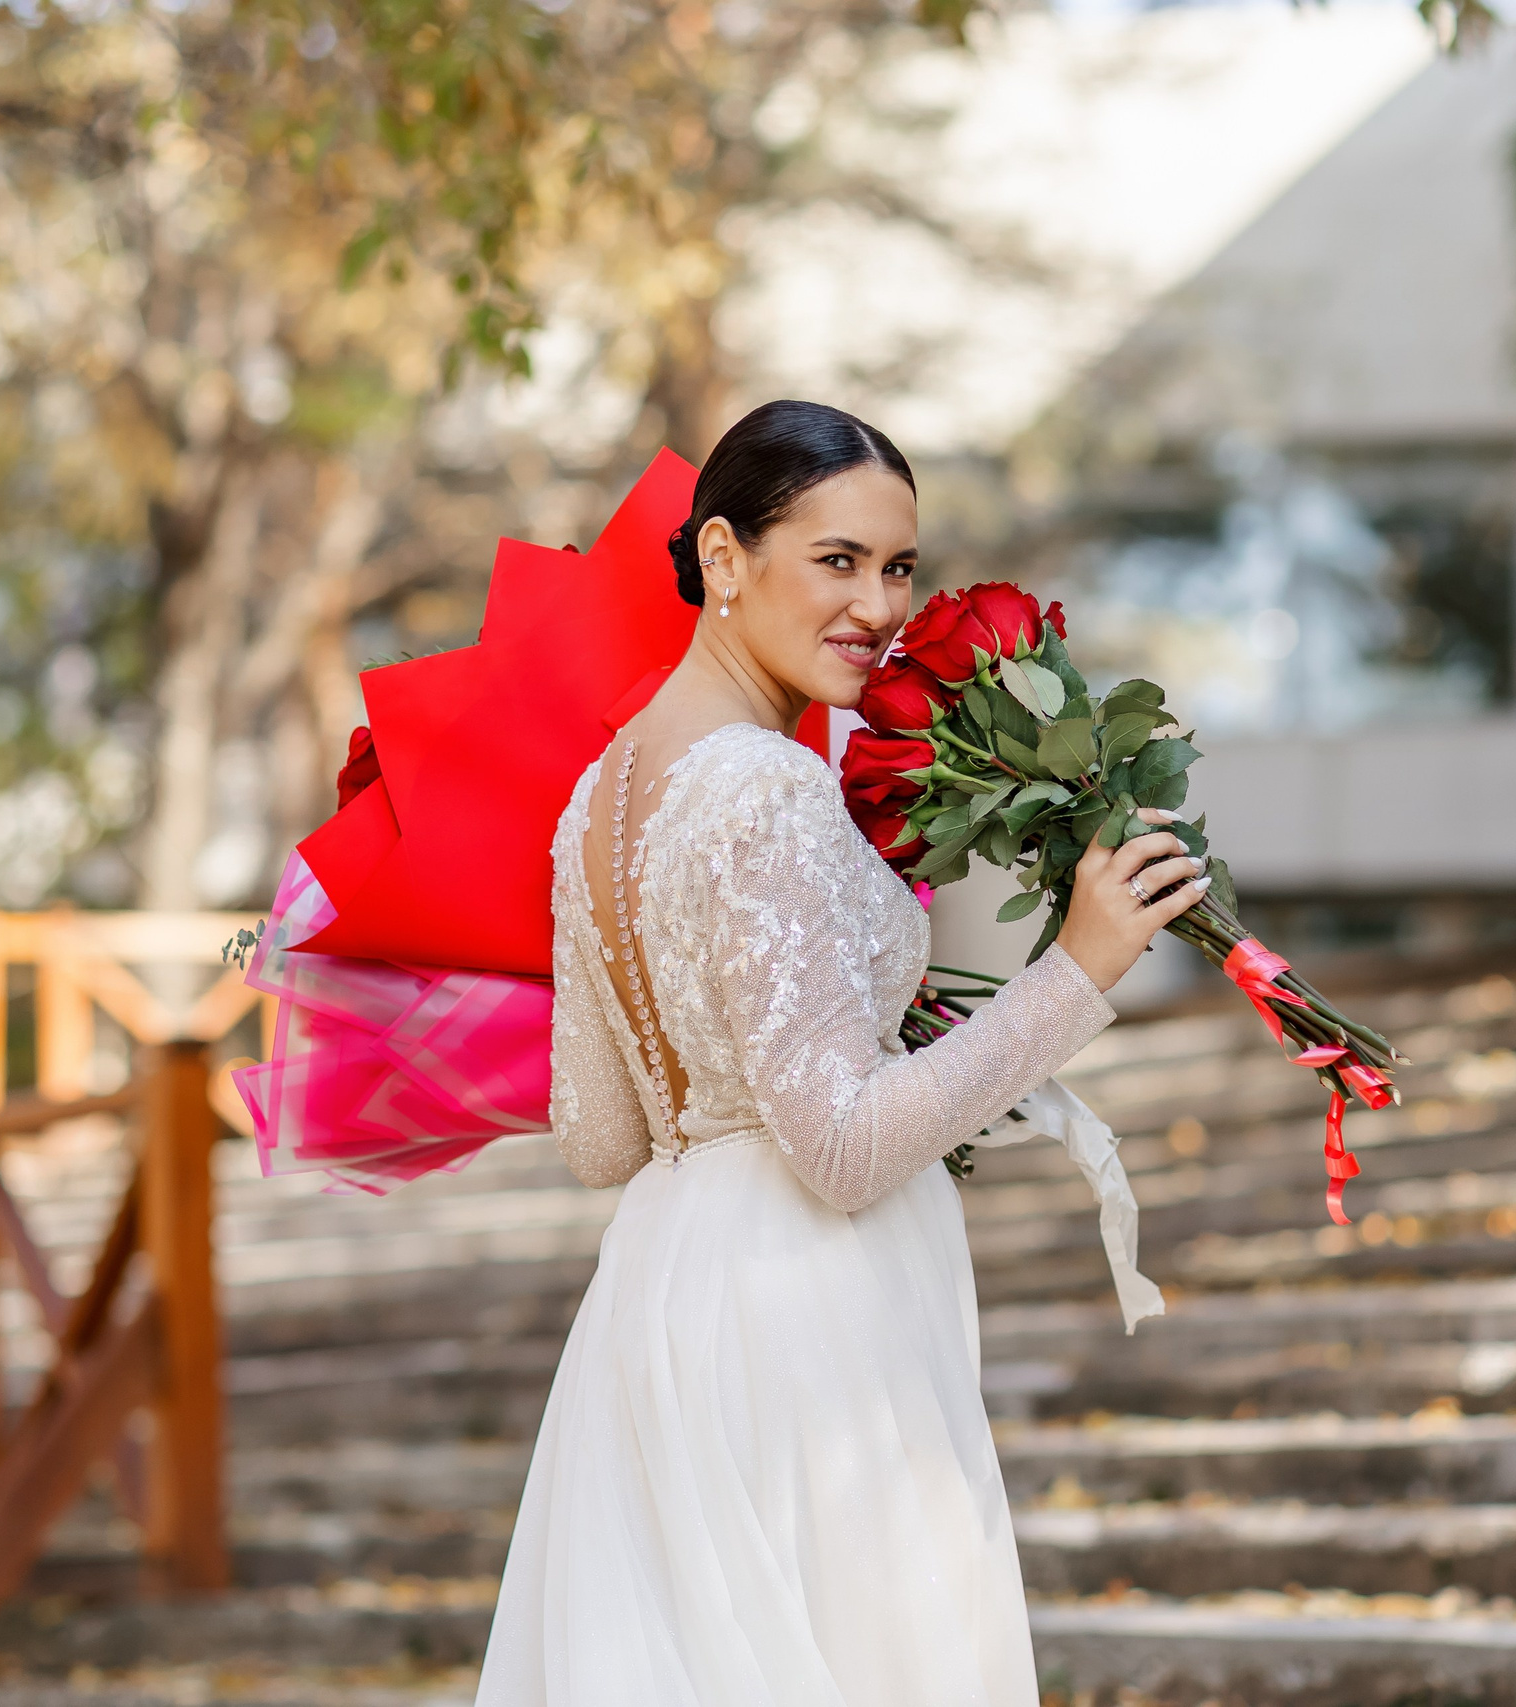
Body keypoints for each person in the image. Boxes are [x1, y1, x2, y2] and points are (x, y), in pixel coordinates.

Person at [473, 400, 1209, 1704]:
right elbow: (847, 1147)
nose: (878, 603)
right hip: (804, 1325)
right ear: (721, 560)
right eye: (837, 560)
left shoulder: (597, 800)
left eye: (899, 566)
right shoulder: (766, 787)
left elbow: (598, 1134)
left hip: (655, 1299)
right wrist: (1075, 969)